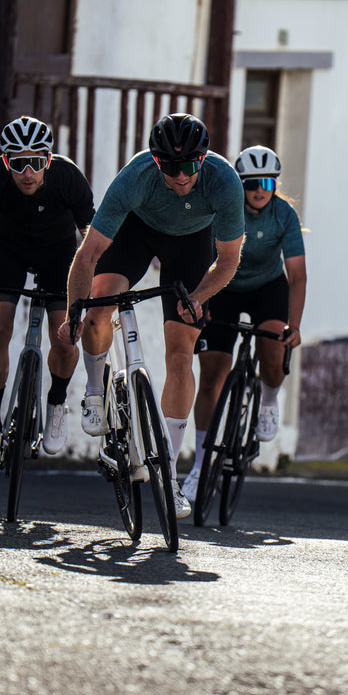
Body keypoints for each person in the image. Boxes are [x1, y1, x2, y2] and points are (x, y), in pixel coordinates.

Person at [59, 113, 245, 519]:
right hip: (137, 231)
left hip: (193, 242)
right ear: (157, 162)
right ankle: (95, 387)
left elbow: (228, 261)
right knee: (100, 304)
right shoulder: (136, 176)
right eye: (171, 168)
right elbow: (88, 254)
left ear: (204, 159)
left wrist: (197, 297)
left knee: (181, 355)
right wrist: (76, 307)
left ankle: (168, 474)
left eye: (189, 167)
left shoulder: (224, 181)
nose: (181, 178)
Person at [0, 116, 95, 465]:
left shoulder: (68, 177)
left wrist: (91, 285)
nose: (28, 172)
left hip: (58, 252)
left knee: (64, 336)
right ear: (5, 162)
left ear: (49, 160)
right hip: (8, 248)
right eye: (18, 164)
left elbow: (91, 234)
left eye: (36, 162)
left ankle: (57, 402)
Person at [181, 145, 306, 502]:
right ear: (240, 184)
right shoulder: (225, 209)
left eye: (267, 182)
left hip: (268, 288)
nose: (260, 190)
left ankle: (268, 400)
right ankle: (200, 464)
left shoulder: (284, 215)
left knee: (272, 347)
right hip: (225, 287)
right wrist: (201, 300)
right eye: (251, 183)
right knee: (212, 375)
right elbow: (204, 257)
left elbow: (297, 276)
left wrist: (293, 325)